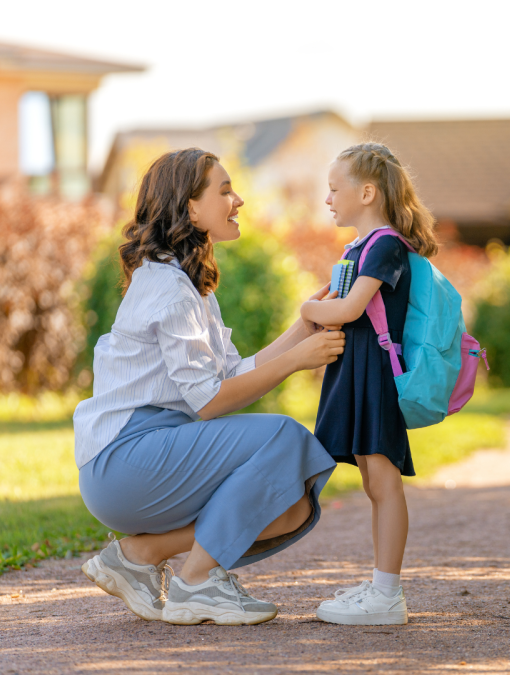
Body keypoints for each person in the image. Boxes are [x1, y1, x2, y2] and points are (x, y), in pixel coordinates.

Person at [73, 148, 345, 626]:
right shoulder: (168, 288)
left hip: (145, 455)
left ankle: (139, 556)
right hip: (124, 459)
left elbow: (228, 375)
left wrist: (302, 329)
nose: (237, 200)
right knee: (286, 438)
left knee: (291, 502)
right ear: (190, 208)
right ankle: (196, 582)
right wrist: (294, 364)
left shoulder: (189, 285)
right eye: (224, 190)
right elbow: (211, 402)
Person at [300, 142, 439, 625]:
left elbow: (348, 309)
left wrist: (306, 309)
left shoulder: (385, 244)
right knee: (372, 479)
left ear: (366, 191)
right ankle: (382, 586)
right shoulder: (360, 246)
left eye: (334, 189)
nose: (328, 199)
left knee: (383, 481)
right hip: (357, 371)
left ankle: (387, 595)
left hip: (375, 376)